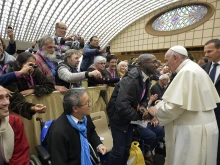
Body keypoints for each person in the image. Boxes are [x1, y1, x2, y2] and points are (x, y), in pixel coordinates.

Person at [147, 45, 219, 165]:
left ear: (175, 57)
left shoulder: (187, 72)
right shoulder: (194, 68)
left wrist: (155, 111)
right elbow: (183, 100)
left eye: (167, 60)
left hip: (192, 131)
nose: (166, 64)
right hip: (204, 126)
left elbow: (175, 107)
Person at [106, 54, 158, 165]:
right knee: (118, 151)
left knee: (126, 148)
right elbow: (122, 106)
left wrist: (143, 109)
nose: (157, 65)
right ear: (143, 63)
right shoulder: (132, 78)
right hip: (119, 118)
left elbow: (144, 98)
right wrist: (141, 116)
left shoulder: (146, 77)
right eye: (153, 62)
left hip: (129, 118)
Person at [47, 88, 107, 165]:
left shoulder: (85, 117)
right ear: (75, 108)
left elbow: (91, 132)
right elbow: (59, 161)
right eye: (87, 103)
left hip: (88, 157)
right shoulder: (59, 132)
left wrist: (99, 144)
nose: (90, 104)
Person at [0, 86, 30, 165]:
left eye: (7, 97)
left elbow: (20, 158)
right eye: (0, 98)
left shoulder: (15, 122)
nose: (7, 102)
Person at [202, 39, 220, 164]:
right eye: (205, 51)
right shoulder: (203, 68)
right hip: (206, 112)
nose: (206, 54)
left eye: (210, 51)